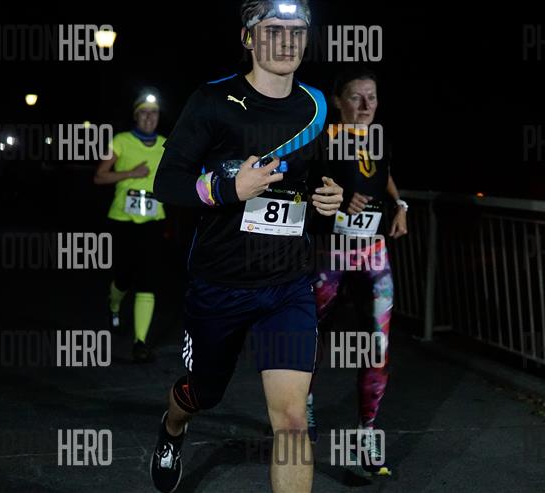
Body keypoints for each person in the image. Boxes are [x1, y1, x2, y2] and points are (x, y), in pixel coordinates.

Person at [148, 1, 343, 492]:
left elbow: (316, 178)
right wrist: (226, 189)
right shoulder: (213, 100)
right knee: (202, 394)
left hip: (287, 286)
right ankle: (173, 427)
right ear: (248, 37)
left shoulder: (317, 106)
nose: (287, 40)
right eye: (273, 29)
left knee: (292, 421)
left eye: (297, 31)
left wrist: (328, 199)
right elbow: (166, 183)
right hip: (220, 282)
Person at [307, 67, 408, 476]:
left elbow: (383, 175)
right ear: (337, 101)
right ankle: (302, 403)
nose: (366, 106)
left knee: (378, 345)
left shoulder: (378, 138)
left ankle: (367, 431)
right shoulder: (323, 140)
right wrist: (337, 196)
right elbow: (305, 182)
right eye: (356, 97)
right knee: (309, 334)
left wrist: (400, 205)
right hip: (329, 253)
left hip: (373, 252)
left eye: (373, 97)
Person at [93, 90, 166, 362]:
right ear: (136, 116)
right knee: (124, 275)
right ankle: (113, 304)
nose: (149, 117)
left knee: (148, 278)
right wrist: (131, 173)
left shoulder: (166, 145)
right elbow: (99, 176)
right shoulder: (120, 141)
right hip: (123, 220)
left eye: (154, 113)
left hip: (153, 221)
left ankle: (140, 342)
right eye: (143, 112)